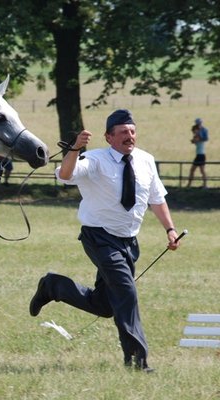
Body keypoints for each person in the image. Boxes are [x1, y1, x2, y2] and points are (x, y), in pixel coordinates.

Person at [28, 109, 182, 373]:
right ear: (109, 137)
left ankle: (54, 286)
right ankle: (136, 361)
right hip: (99, 237)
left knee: (106, 305)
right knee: (126, 293)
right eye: (123, 132)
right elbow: (65, 175)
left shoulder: (146, 161)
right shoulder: (95, 159)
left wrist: (170, 229)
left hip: (128, 242)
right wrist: (75, 148)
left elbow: (157, 199)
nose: (129, 136)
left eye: (132, 131)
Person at [187, 117, 208, 188]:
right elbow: (194, 140)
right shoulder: (198, 136)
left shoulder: (200, 135)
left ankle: (204, 185)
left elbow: (200, 139)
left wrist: (197, 134)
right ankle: (190, 184)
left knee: (200, 170)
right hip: (199, 155)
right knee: (197, 170)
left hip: (201, 155)